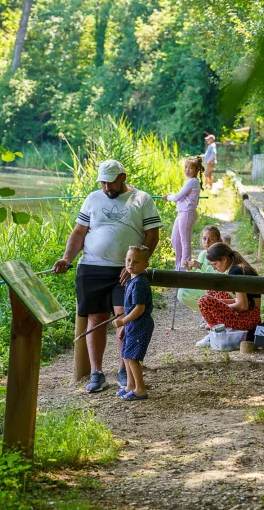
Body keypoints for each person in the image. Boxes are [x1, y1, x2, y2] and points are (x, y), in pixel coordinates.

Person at [53, 159, 162, 393]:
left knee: (125, 319)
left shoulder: (142, 199)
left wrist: (135, 266)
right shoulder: (93, 198)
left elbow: (152, 236)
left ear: (123, 177)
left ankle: (124, 369)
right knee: (95, 319)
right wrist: (66, 259)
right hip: (92, 267)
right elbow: (79, 232)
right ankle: (97, 372)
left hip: (125, 271)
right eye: (102, 183)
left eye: (110, 183)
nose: (106, 188)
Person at [196, 242, 261, 347]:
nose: (214, 267)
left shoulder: (235, 271)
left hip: (248, 320)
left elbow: (243, 306)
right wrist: (221, 304)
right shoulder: (237, 267)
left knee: (204, 301)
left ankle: (216, 334)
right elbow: (245, 301)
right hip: (251, 316)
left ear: (224, 259)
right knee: (212, 289)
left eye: (214, 264)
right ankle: (221, 330)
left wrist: (219, 308)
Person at [114, 245, 154, 401]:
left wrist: (123, 320)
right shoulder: (131, 280)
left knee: (132, 357)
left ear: (145, 265)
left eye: (136, 262)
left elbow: (139, 308)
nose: (131, 265)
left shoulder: (138, 283)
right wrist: (125, 325)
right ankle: (130, 385)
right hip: (132, 324)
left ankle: (140, 389)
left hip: (140, 323)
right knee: (126, 354)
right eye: (128, 260)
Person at [161, 156, 204, 271]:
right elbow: (181, 196)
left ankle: (185, 268)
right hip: (182, 212)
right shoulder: (190, 182)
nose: (187, 170)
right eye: (186, 167)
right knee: (175, 239)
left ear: (196, 170)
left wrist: (167, 197)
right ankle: (178, 266)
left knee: (185, 242)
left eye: (190, 168)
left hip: (187, 213)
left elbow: (178, 197)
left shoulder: (193, 182)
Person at [177, 225, 230, 316]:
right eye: (204, 238)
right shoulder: (202, 254)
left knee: (183, 293)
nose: (207, 242)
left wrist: (200, 265)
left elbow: (221, 274)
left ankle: (214, 314)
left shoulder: (221, 254)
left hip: (219, 288)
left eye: (211, 238)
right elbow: (199, 273)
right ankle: (208, 313)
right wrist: (190, 269)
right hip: (204, 286)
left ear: (218, 240)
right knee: (182, 293)